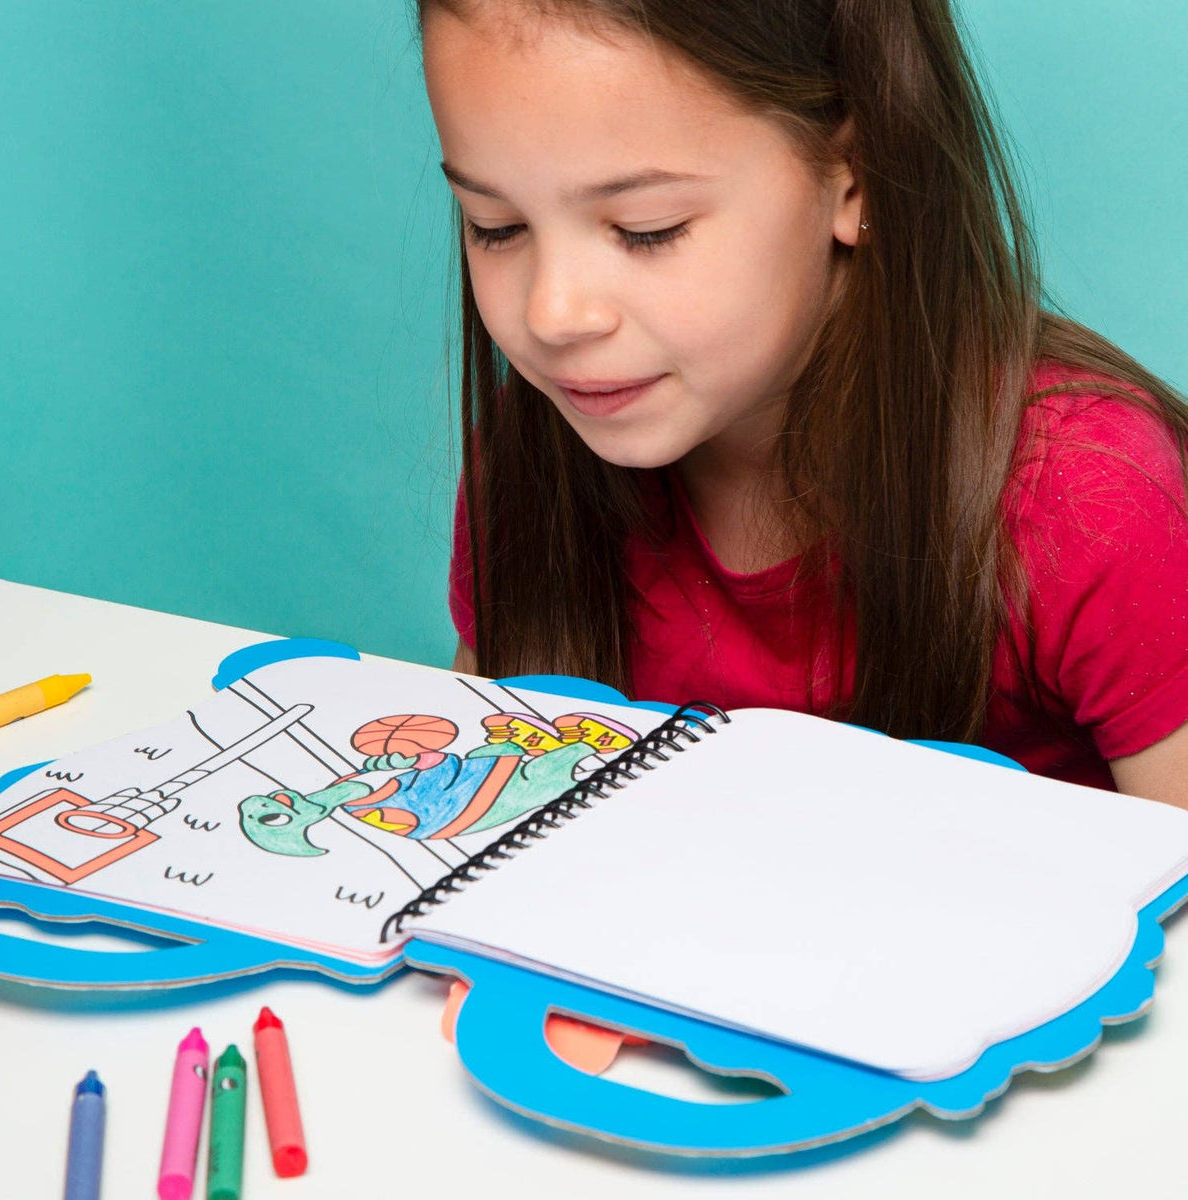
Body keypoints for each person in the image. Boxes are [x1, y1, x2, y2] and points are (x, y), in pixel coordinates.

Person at [417, 0, 1188, 803]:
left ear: (854, 177)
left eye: (648, 228)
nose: (553, 314)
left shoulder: (1087, 494)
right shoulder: (531, 458)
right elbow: (479, 813)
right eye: (495, 226)